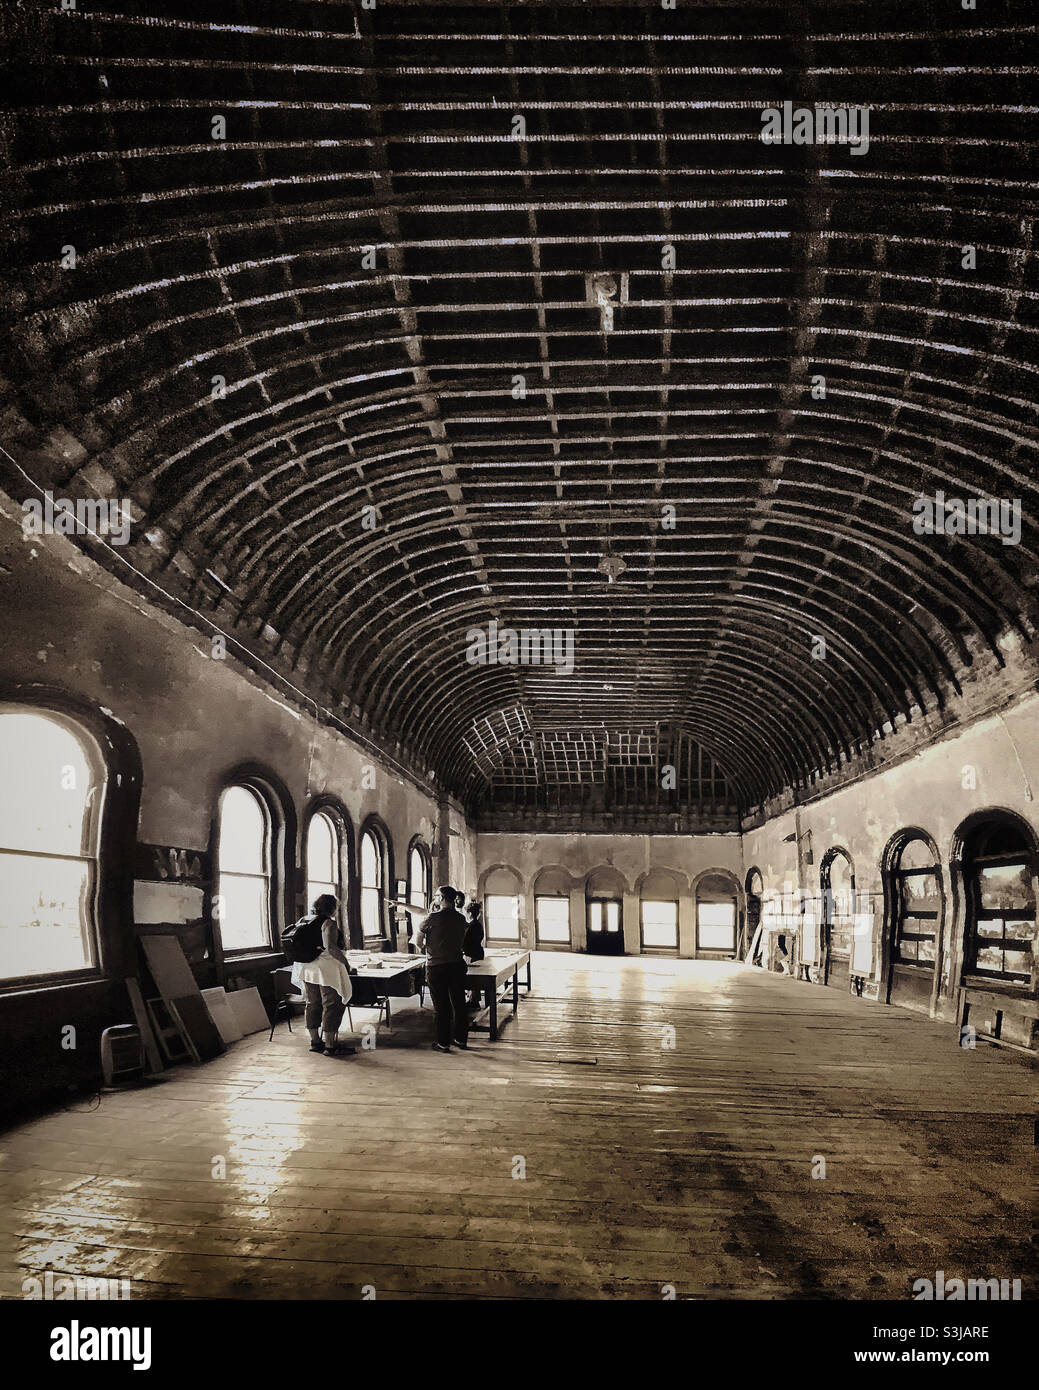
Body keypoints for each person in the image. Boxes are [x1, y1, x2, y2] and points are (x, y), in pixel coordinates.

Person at [290, 894, 354, 1056]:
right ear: (332, 908)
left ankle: (315, 1042)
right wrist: (346, 964)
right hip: (326, 970)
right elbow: (331, 948)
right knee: (332, 1005)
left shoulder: (305, 919)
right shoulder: (328, 923)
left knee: (312, 1003)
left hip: (306, 967)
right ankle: (331, 1046)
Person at [416, 885, 470, 1053]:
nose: (435, 898)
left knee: (441, 1006)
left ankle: (443, 1043)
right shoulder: (461, 919)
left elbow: (418, 941)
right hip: (456, 964)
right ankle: (461, 1040)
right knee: (459, 1003)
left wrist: (426, 948)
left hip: (436, 966)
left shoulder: (431, 918)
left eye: (437, 895)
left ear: (442, 898)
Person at [462, 898, 485, 1009]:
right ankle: (474, 1000)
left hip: (471, 953)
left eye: (466, 912)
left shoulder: (471, 926)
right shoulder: (477, 925)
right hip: (477, 951)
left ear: (470, 913)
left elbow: (465, 942)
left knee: (473, 978)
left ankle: (474, 1002)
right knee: (475, 978)